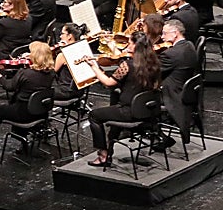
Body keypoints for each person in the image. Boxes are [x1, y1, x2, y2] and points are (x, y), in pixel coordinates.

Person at [84, 31, 162, 167]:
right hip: (148, 110)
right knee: (113, 115)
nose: (127, 45)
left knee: (94, 115)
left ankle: (103, 154)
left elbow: (108, 82)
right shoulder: (154, 64)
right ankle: (109, 147)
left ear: (135, 47)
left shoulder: (127, 65)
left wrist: (94, 67)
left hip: (129, 111)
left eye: (130, 43)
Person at [0, 40, 55, 159]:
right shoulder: (51, 72)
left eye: (30, 53)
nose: (28, 54)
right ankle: (21, 139)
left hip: (23, 113)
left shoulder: (25, 73)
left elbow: (9, 86)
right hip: (41, 113)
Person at [158, 17, 199, 149]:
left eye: (164, 33)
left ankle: (159, 137)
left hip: (172, 94)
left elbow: (151, 71)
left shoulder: (171, 54)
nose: (162, 37)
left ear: (175, 33)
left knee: (138, 100)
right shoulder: (189, 45)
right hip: (185, 90)